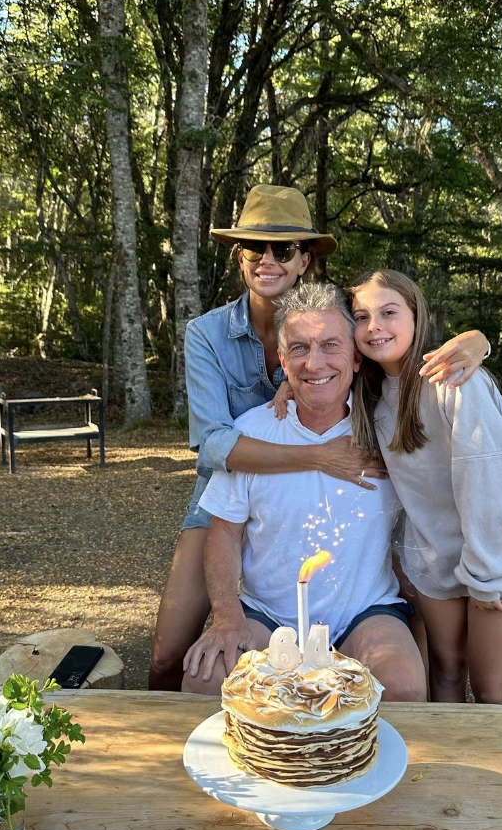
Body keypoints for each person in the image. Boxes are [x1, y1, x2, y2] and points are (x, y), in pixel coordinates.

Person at [149, 185, 491, 690]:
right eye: (255, 247)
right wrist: (319, 456)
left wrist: (476, 340)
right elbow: (215, 446)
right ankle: (166, 738)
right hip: (230, 479)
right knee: (172, 654)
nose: (269, 259)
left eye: (283, 249)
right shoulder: (207, 333)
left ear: (304, 259)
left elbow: (407, 364)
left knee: (402, 668)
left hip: (345, 565)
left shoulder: (355, 360)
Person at [182, 283, 427, 700]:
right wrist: (226, 617)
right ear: (282, 360)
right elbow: (224, 532)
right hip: (268, 615)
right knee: (203, 682)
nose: (314, 363)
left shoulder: (388, 429)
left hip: (363, 614)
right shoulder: (253, 433)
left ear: (355, 354)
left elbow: (460, 465)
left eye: (330, 345)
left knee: (401, 685)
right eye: (298, 348)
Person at [349, 269, 502, 704]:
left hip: (494, 558)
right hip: (436, 557)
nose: (374, 327)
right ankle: (449, 770)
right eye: (361, 316)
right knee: (443, 672)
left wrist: (486, 575)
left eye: (388, 312)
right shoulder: (370, 394)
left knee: (491, 688)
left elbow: (489, 478)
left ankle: (496, 773)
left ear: (416, 315)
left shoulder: (453, 380)